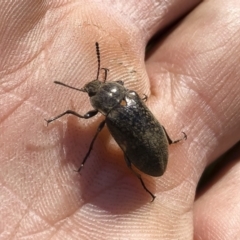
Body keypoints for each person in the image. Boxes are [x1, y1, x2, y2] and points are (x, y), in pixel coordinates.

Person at [1, 1, 239, 239]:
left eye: (95, 90)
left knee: (126, 158)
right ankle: (166, 147)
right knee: (143, 141)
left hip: (149, 155)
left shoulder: (112, 116)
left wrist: (68, 119)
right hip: (153, 147)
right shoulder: (131, 96)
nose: (94, 88)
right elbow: (121, 90)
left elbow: (92, 129)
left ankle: (143, 179)